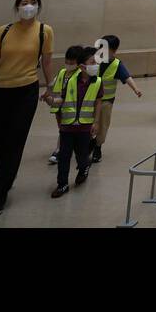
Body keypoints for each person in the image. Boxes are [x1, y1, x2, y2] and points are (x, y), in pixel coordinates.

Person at [0, 0, 55, 217]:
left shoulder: (44, 31)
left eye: (32, 2)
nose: (28, 6)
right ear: (17, 6)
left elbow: (47, 62)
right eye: (24, 2)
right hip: (1, 90)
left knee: (16, 138)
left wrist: (50, 86)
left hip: (26, 90)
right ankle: (7, 176)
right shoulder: (4, 31)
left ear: (38, 6)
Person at [52, 46, 102, 198]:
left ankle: (83, 168)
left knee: (82, 155)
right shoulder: (69, 80)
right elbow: (61, 99)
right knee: (64, 156)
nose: (95, 65)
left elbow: (97, 102)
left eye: (96, 62)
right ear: (82, 66)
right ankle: (62, 184)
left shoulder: (97, 82)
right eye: (92, 62)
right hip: (67, 127)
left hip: (84, 127)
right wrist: (50, 101)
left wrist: (96, 122)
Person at [91, 35, 143, 164]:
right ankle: (87, 143)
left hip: (106, 101)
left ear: (113, 51)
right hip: (89, 100)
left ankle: (97, 147)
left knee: (102, 125)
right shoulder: (94, 61)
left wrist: (136, 89)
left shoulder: (117, 65)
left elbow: (127, 77)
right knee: (88, 122)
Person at [48, 46, 81, 164]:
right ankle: (62, 149)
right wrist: (47, 93)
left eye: (72, 63)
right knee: (63, 130)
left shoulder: (80, 75)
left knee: (67, 130)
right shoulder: (62, 73)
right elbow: (53, 84)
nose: (68, 65)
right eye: (67, 62)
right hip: (59, 107)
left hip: (73, 109)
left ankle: (59, 150)